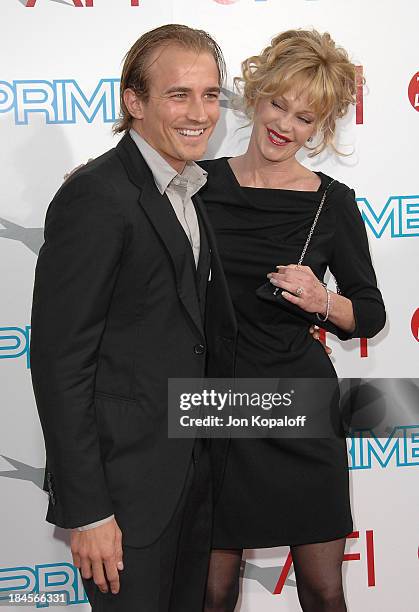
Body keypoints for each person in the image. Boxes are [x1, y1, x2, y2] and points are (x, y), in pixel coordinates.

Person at [30, 24, 237, 612]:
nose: (201, 113)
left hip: (193, 477)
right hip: (122, 498)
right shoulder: (97, 197)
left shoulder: (189, 188)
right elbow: (59, 362)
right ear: (134, 101)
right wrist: (88, 509)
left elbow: (186, 333)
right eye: (180, 95)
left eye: (211, 94)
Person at [199, 30, 386, 612]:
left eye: (306, 117)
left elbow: (370, 314)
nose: (285, 125)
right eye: (277, 103)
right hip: (212, 403)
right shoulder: (195, 185)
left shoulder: (333, 203)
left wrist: (320, 302)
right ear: (255, 96)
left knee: (325, 591)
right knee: (211, 589)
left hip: (300, 404)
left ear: (321, 128)